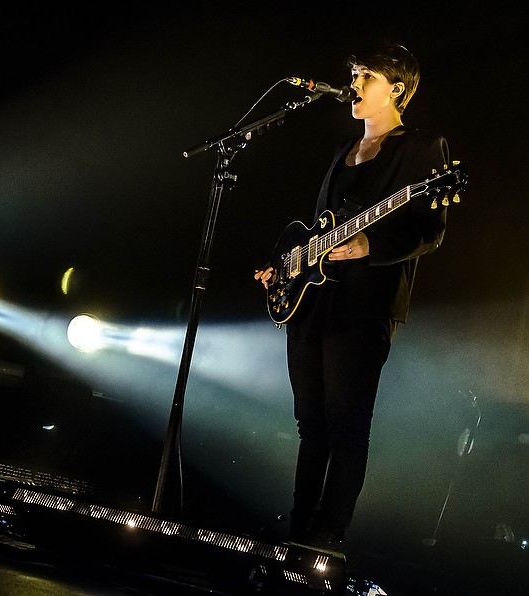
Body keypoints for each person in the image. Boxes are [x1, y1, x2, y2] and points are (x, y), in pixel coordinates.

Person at [254, 41, 454, 551]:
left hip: (364, 307)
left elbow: (429, 232)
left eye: (368, 74)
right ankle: (296, 534)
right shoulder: (340, 154)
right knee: (310, 425)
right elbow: (313, 232)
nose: (356, 82)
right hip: (312, 304)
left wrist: (369, 244)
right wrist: (285, 268)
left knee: (345, 424)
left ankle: (326, 539)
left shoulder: (422, 150)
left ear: (398, 90)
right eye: (356, 72)